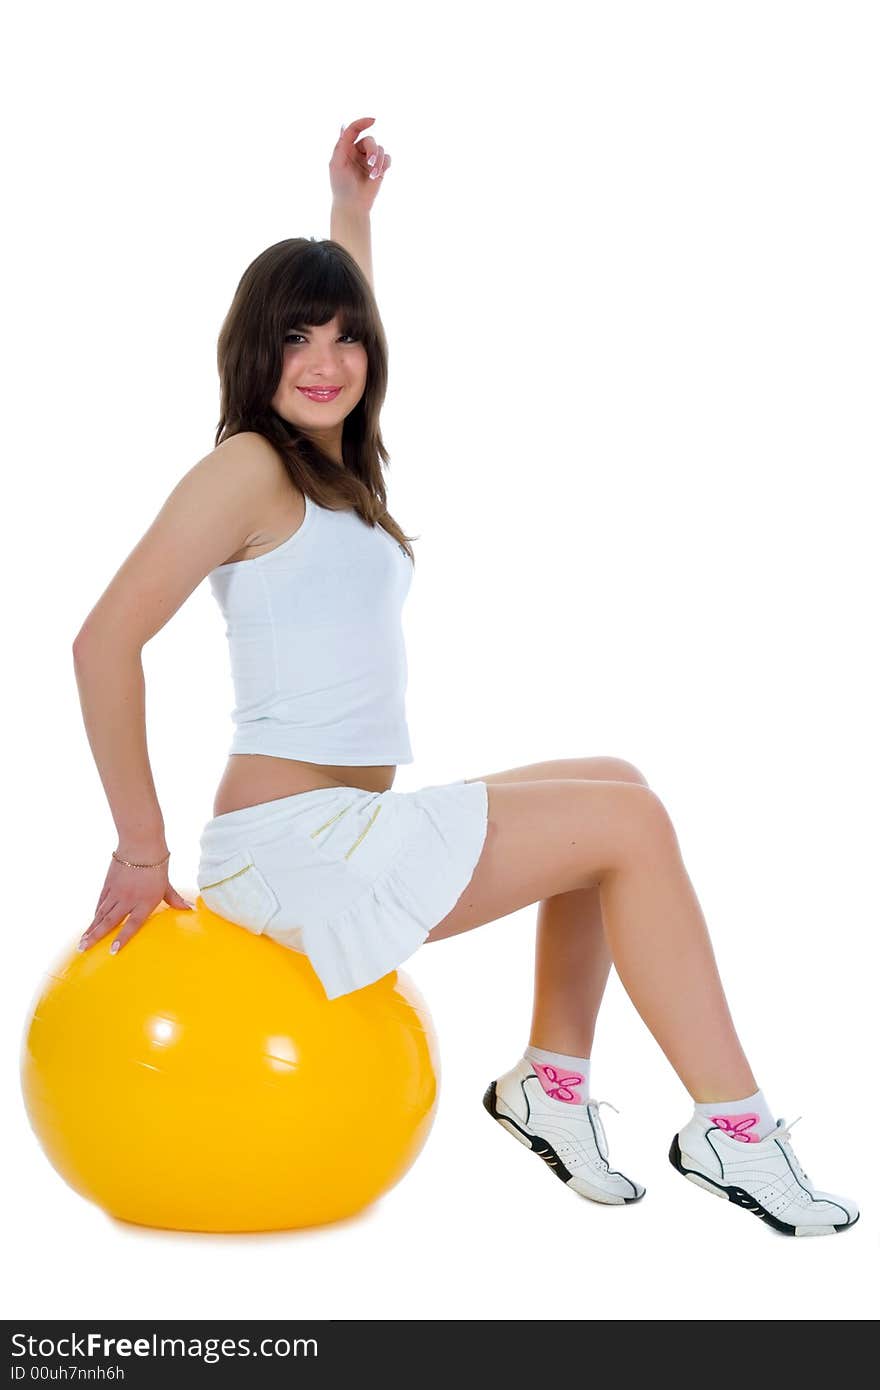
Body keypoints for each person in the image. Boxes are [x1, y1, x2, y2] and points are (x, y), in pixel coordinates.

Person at [73, 117, 859, 1239]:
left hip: (342, 824)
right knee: (628, 828)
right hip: (292, 853)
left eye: (344, 338)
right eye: (297, 337)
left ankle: (550, 1082)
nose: (325, 359)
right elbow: (101, 641)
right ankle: (733, 1127)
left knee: (616, 779)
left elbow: (348, 365)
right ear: (255, 352)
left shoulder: (335, 470)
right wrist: (140, 849)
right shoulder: (244, 466)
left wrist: (351, 219)